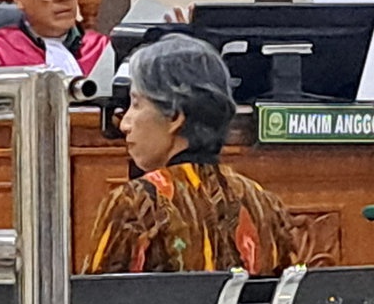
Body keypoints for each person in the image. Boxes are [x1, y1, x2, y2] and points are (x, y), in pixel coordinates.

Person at [80, 34, 297, 276]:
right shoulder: (264, 203)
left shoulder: (137, 204)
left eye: (136, 104)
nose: (124, 124)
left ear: (174, 117)